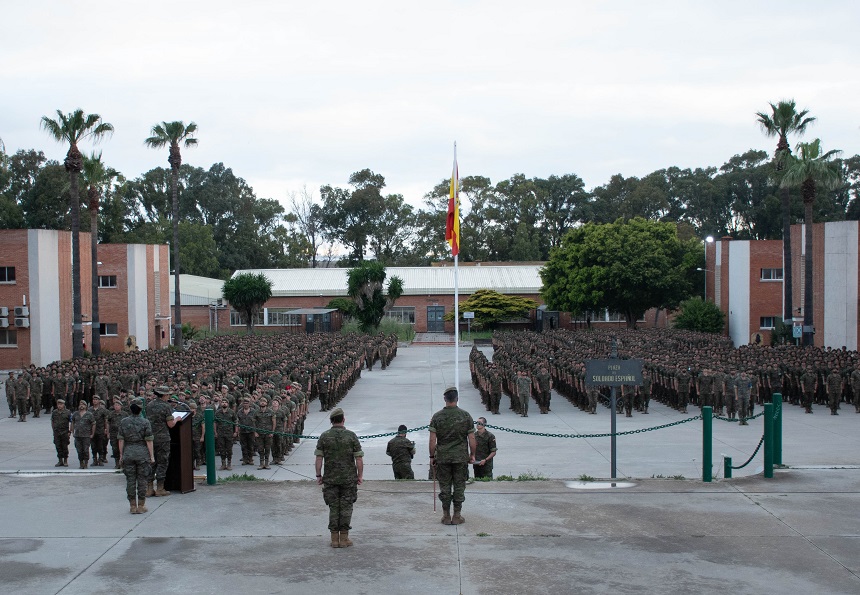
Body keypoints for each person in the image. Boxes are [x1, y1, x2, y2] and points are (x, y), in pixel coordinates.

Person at [315, 407, 364, 548]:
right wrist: (359, 476)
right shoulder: (351, 436)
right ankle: (344, 538)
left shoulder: (324, 436)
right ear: (343, 420)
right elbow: (359, 459)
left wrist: (319, 475)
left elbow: (319, 458)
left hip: (330, 479)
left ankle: (334, 539)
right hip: (348, 479)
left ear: (331, 421)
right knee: (347, 507)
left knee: (334, 507)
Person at [429, 386, 476, 525]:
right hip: (460, 457)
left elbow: (432, 440)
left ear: (445, 399)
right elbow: (472, 439)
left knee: (445, 486)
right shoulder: (465, 416)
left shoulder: (437, 416)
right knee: (459, 485)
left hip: (443, 457)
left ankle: (446, 515)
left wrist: (432, 457)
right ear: (457, 398)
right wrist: (472, 454)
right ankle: (457, 515)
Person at [118, 401, 155, 514]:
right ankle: (141, 505)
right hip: (142, 453)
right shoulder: (145, 422)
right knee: (142, 480)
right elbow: (149, 440)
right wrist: (152, 456)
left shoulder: (124, 422)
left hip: (128, 452)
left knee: (130, 480)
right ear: (140, 409)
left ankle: (132, 505)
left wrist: (121, 455)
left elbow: (121, 440)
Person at [146, 386, 179, 497]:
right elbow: (170, 424)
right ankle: (160, 488)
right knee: (162, 462)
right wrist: (177, 419)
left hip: (151, 438)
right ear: (164, 395)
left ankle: (149, 488)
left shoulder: (149, 405)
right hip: (163, 438)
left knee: (152, 462)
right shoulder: (166, 407)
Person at [70, 400, 95, 469]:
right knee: (79, 450)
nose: (81, 406)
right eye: (80, 404)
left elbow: (93, 424)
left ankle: (86, 462)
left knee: (86, 450)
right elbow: (72, 422)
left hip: (86, 435)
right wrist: (72, 431)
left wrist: (92, 433)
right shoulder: (75, 414)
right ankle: (81, 462)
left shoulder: (89, 414)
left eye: (83, 404)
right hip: (77, 435)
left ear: (86, 406)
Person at [51, 399, 71, 467]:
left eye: (61, 404)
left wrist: (70, 431)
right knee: (58, 446)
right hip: (57, 432)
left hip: (64, 432)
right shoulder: (54, 412)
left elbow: (71, 422)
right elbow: (52, 421)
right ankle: (60, 460)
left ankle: (65, 460)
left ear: (63, 405)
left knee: (64, 446)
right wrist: (53, 430)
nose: (59, 406)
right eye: (58, 404)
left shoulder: (67, 412)